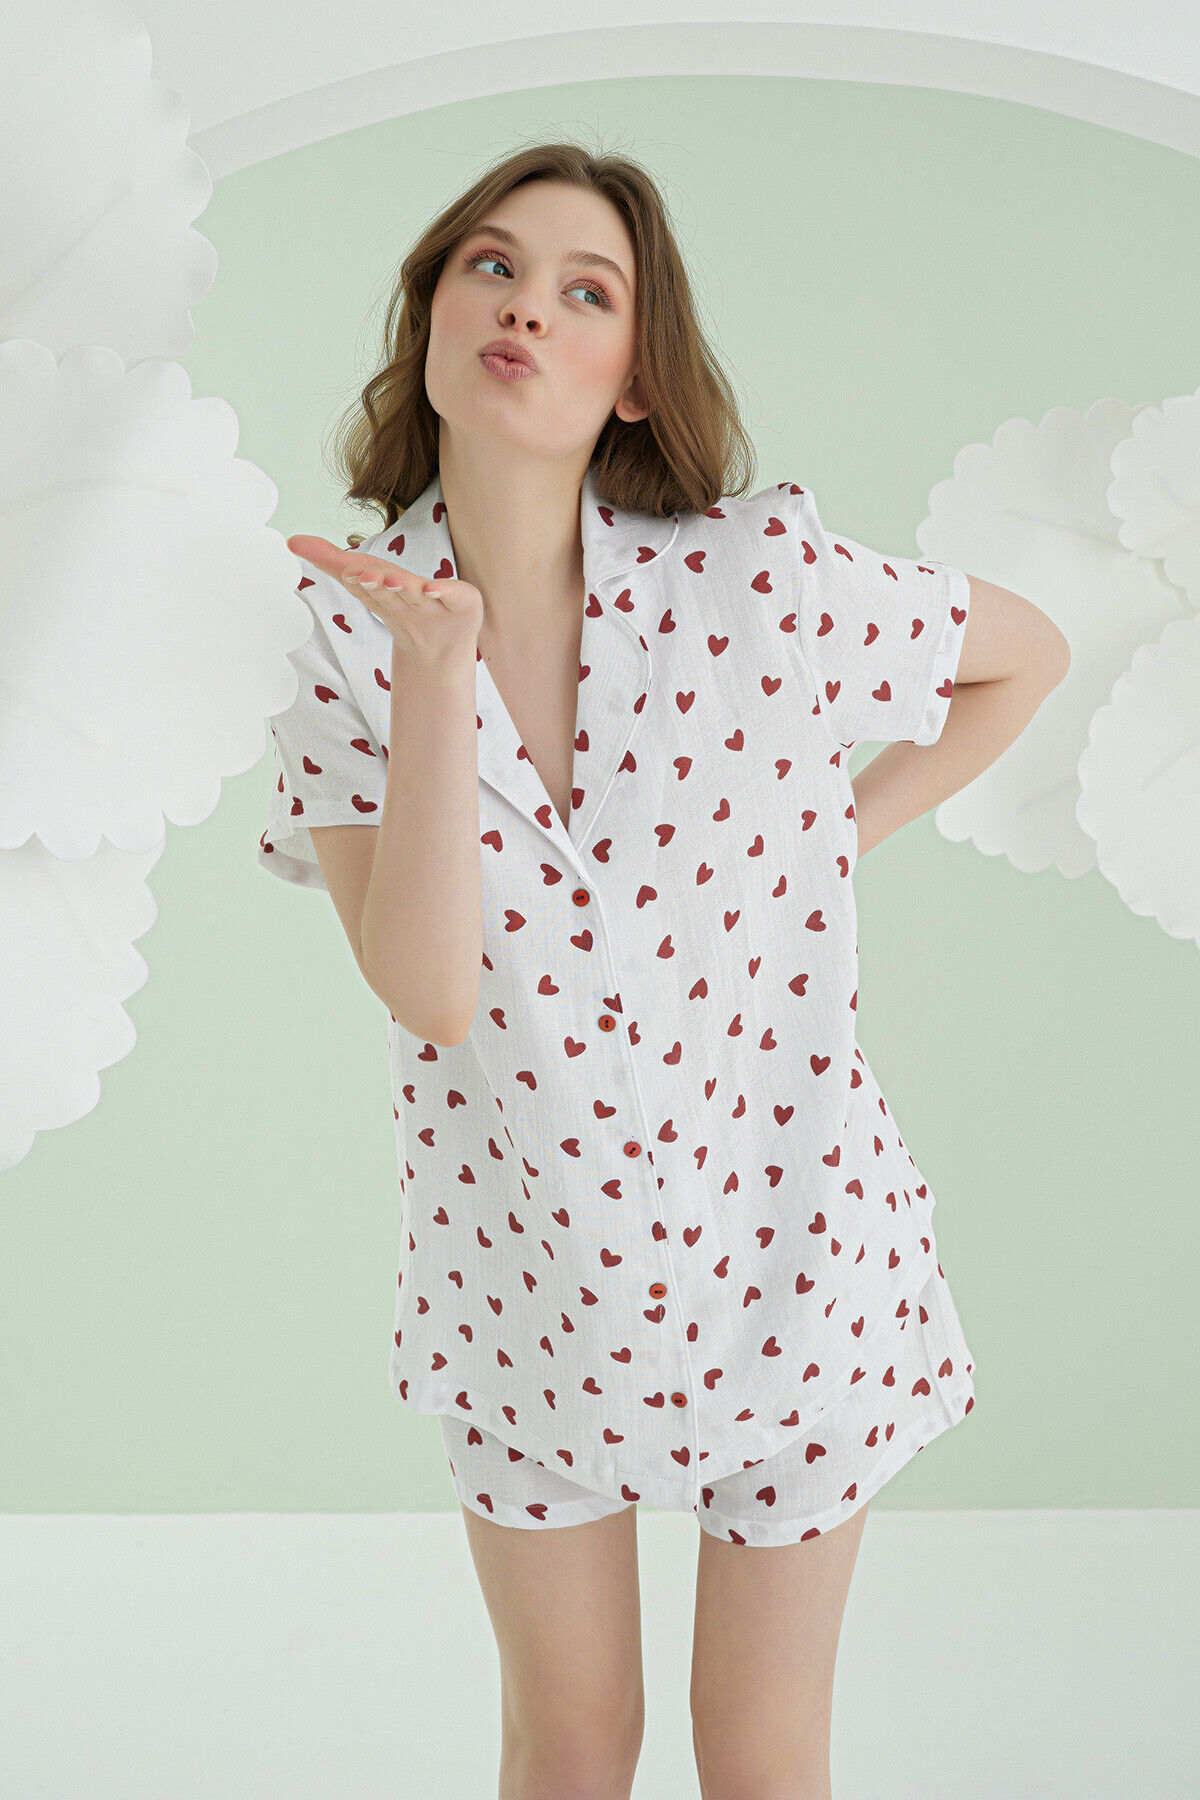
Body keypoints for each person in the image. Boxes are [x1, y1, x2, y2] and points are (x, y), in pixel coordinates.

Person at [258, 139, 1070, 1800]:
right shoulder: (341, 638)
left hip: (797, 1264)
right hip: (523, 1286)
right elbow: (429, 992)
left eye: (586, 291)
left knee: (759, 1757)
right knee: (569, 1748)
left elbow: (1026, 658)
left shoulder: (758, 582)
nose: (525, 309)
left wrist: (832, 836)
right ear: (430, 316)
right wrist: (438, 682)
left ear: (636, 376)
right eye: (491, 268)